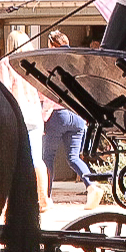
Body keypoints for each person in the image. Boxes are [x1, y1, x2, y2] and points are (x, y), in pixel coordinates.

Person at [39, 30, 104, 209]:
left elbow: (49, 92)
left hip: (58, 115)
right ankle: (92, 186)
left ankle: (46, 198)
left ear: (52, 44)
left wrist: (43, 117)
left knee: (47, 158)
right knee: (73, 157)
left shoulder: (52, 62)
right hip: (78, 117)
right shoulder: (77, 62)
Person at [0, 51, 50, 206]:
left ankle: (13, 201)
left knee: (13, 158)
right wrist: (45, 112)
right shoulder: (35, 62)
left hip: (18, 115)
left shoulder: (7, 62)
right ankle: (43, 198)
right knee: (37, 158)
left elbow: (2, 89)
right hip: (35, 115)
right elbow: (46, 92)